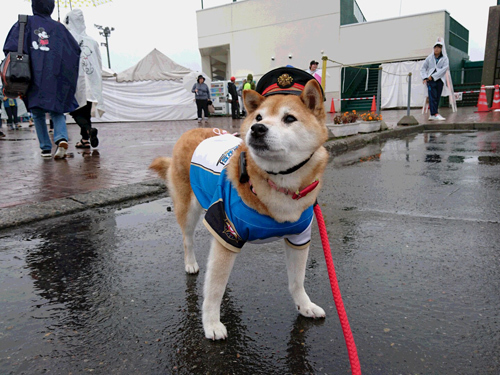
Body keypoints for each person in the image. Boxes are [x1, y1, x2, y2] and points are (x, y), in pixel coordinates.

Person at [3, 0, 80, 159]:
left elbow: (11, 48)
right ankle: (61, 138)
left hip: (32, 76)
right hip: (55, 76)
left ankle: (45, 148)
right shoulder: (60, 28)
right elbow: (74, 50)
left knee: (37, 113)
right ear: (51, 7)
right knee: (57, 110)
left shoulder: (25, 22)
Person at [65, 9, 104, 149]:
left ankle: (87, 131)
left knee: (75, 110)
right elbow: (99, 63)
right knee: (86, 110)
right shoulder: (92, 41)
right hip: (91, 79)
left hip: (75, 79)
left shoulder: (66, 39)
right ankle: (85, 139)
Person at [421, 39, 449, 121]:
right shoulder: (429, 58)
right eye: (435, 47)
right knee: (432, 97)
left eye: (438, 47)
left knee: (437, 97)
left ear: (441, 49)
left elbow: (444, 69)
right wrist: (425, 77)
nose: (436, 49)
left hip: (440, 80)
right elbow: (423, 68)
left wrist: (433, 76)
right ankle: (434, 113)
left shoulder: (445, 58)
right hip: (430, 81)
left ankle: (434, 113)